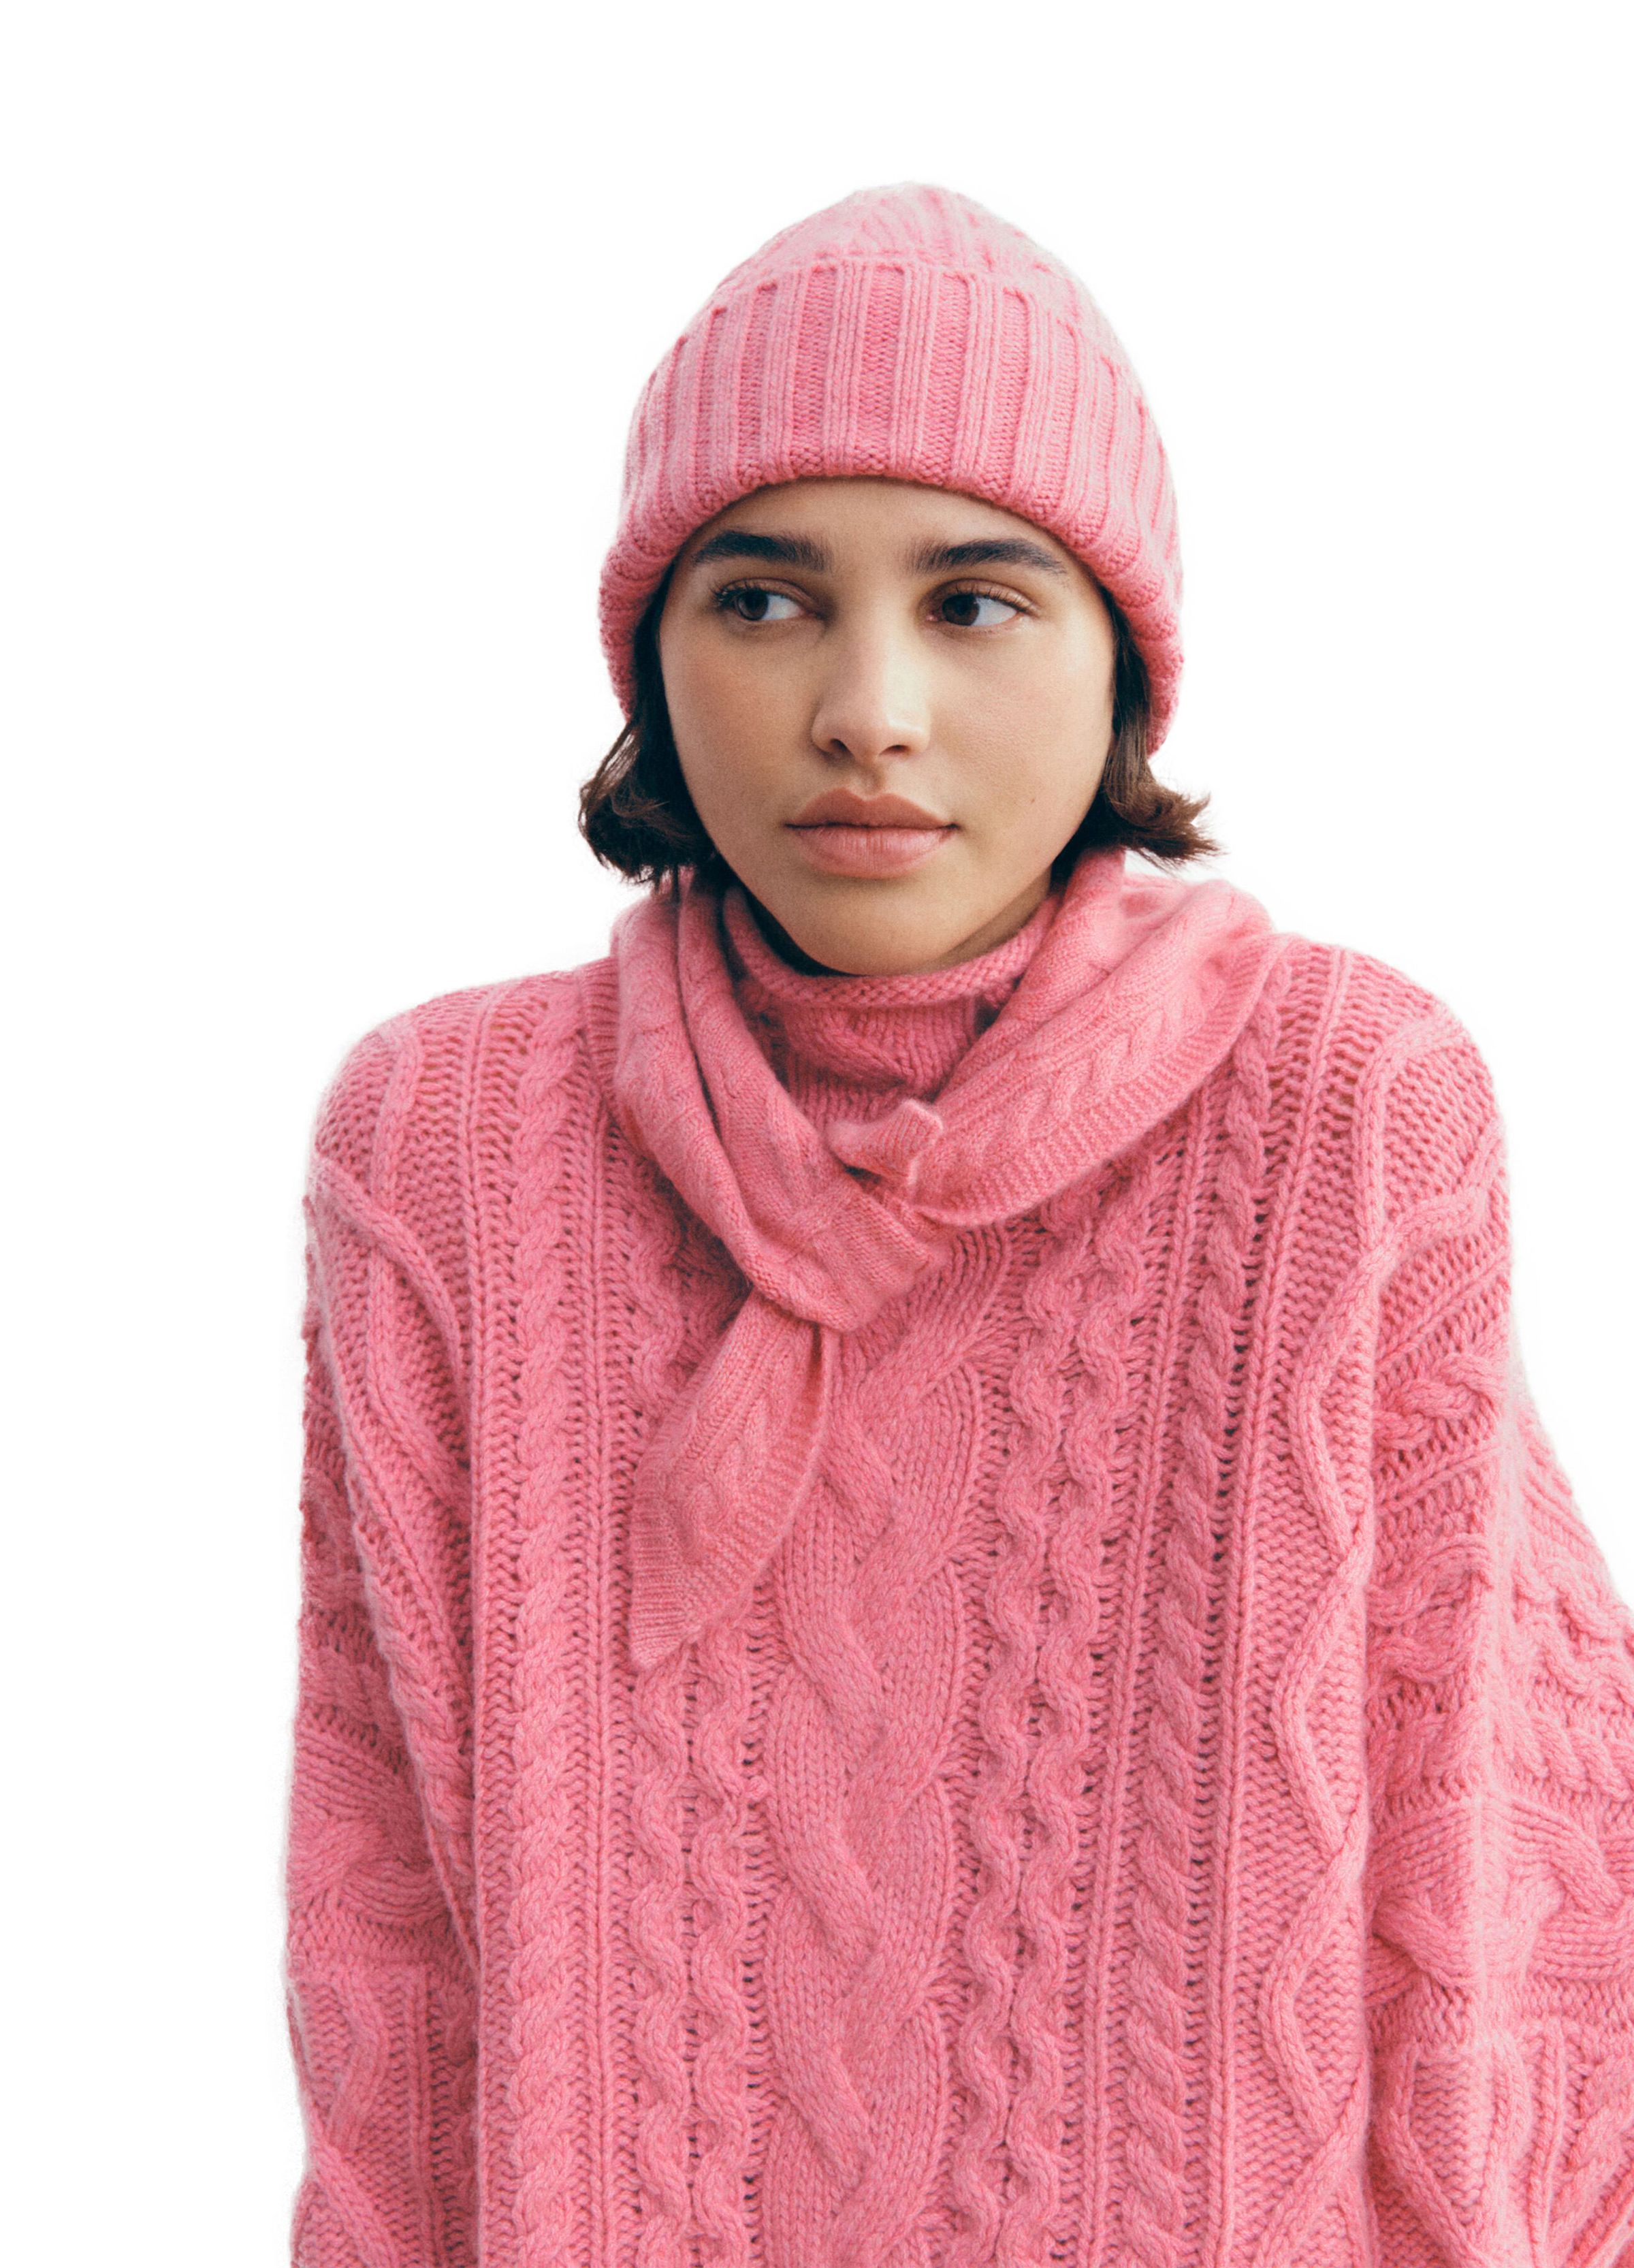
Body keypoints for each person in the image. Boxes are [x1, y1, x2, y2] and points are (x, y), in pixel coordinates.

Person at [284, 184, 1634, 2268]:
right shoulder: (449, 1146)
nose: (869, 708)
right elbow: (389, 1946)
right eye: (763, 598)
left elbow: (1492, 1905)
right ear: (650, 654)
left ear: (1124, 664)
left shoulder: (1346, 1108)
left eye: (977, 600)